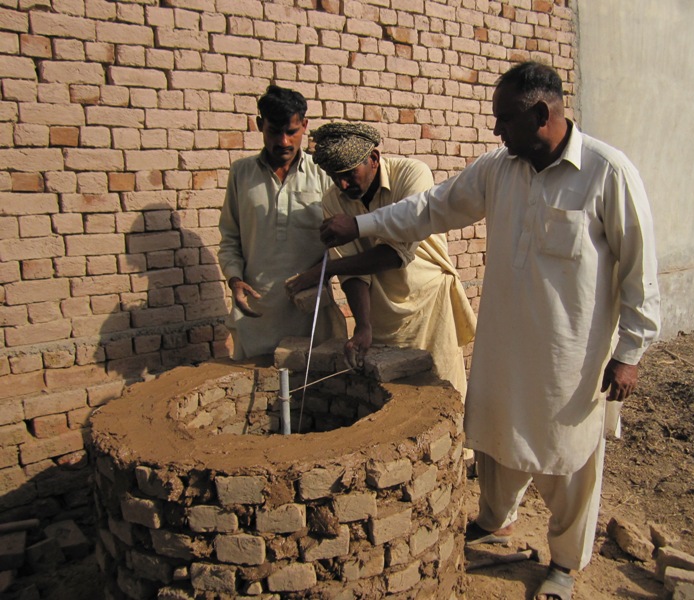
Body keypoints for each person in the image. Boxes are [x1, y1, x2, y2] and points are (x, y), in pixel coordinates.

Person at [319, 62, 661, 600]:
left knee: (569, 456)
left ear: (542, 114)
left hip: (568, 354)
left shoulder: (607, 173)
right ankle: (494, 517)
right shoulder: (499, 169)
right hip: (504, 343)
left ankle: (565, 563)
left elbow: (640, 268)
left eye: (504, 119)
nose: (496, 131)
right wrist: (360, 225)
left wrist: (630, 352)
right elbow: (431, 208)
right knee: (496, 436)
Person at [285, 123, 476, 397]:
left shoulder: (412, 174)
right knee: (394, 394)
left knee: (441, 391)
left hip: (429, 303)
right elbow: (352, 272)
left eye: (350, 174)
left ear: (373, 159)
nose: (343, 184)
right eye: (334, 177)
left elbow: (398, 254)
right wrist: (363, 326)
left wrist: (325, 270)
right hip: (382, 310)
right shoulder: (333, 200)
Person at [218, 85, 345, 359]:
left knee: (308, 394)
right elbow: (230, 238)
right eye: (274, 131)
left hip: (309, 312)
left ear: (305, 126)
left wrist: (318, 273)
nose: (284, 142)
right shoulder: (241, 174)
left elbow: (341, 244)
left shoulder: (322, 175)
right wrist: (234, 280)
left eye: (292, 132)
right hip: (256, 313)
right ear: (260, 125)